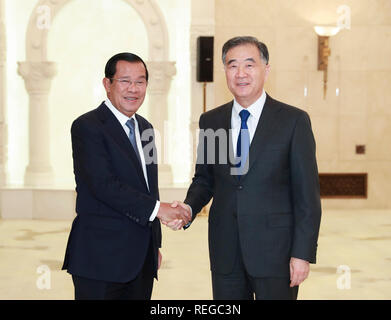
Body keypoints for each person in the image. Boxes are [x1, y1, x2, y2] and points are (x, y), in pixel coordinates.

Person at [170, 36, 322, 300]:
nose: (240, 73)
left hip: (276, 254)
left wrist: (302, 253)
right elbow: (205, 180)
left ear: (266, 69)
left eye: (249, 65)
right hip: (225, 252)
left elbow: (307, 196)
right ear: (225, 71)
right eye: (232, 65)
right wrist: (189, 207)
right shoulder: (211, 121)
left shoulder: (293, 121)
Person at [62, 52, 191, 300]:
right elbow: (103, 185)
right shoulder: (87, 126)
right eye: (124, 81)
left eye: (140, 81)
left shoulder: (146, 129)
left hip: (141, 259)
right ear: (107, 84)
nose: (133, 89)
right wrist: (160, 210)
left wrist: (155, 246)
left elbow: (150, 189)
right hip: (100, 259)